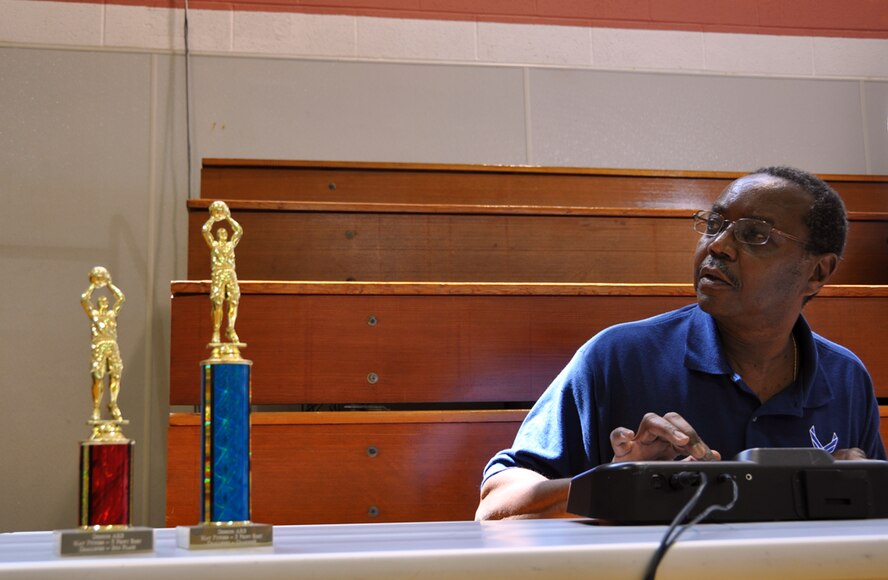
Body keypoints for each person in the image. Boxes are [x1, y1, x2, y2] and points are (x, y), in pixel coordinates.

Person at [475, 166, 887, 521]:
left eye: (755, 235)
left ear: (817, 272)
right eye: (714, 224)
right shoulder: (618, 356)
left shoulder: (844, 377)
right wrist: (621, 482)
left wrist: (864, 485)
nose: (718, 246)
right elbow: (496, 505)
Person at [81, 266, 125, 422]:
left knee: (116, 374)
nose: (104, 301)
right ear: (98, 304)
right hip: (99, 345)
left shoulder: (112, 315)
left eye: (106, 300)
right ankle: (96, 409)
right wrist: (93, 284)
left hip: (112, 345)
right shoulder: (94, 315)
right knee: (97, 376)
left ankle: (113, 403)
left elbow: (120, 298)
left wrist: (109, 284)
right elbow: (84, 299)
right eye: (101, 300)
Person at [202, 201, 243, 344]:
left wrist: (228, 217)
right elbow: (205, 230)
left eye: (225, 231)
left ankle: (231, 328)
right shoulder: (214, 245)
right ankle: (216, 332)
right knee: (217, 301)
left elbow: (239, 231)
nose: (223, 233)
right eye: (220, 232)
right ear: (218, 235)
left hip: (230, 273)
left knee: (233, 300)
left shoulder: (231, 245)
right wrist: (213, 218)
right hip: (218, 273)